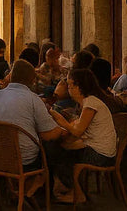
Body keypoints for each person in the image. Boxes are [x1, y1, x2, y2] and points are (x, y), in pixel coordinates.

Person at [48, 69, 118, 204]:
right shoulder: (88, 102)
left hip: (102, 155)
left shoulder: (91, 103)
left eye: (71, 86)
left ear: (80, 87)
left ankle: (75, 192)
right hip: (100, 149)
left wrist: (61, 121)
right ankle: (67, 186)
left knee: (61, 153)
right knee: (62, 148)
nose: (69, 89)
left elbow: (78, 131)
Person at [0, 60, 65, 177]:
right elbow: (48, 134)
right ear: (32, 80)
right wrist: (63, 129)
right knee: (55, 147)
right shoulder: (33, 99)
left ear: (11, 76)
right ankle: (48, 184)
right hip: (24, 159)